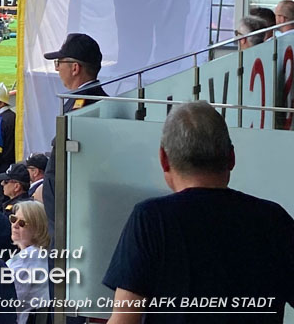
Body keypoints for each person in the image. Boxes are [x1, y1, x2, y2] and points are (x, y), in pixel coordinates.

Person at [103, 101, 294, 323]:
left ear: (164, 160)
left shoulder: (151, 219)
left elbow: (124, 319)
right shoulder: (273, 219)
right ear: (231, 157)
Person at [42, 33, 107, 240]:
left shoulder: (85, 105)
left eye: (59, 62)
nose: (57, 68)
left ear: (75, 67)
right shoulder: (82, 101)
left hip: (70, 212)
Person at [7, 201, 51, 324]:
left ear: (38, 229)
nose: (15, 225)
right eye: (13, 219)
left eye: (22, 223)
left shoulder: (24, 262)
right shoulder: (45, 255)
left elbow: (2, 302)